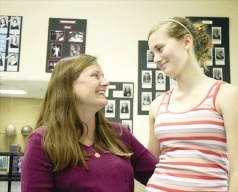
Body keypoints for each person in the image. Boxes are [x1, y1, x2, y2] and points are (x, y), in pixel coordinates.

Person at [21, 54, 157, 192]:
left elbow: (159, 175)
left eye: (102, 76)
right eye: (95, 76)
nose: (105, 82)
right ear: (68, 86)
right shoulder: (42, 141)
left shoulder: (119, 134)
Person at [146, 17, 238, 192]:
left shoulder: (227, 96)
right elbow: (149, 164)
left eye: (160, 48)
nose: (156, 59)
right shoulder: (157, 105)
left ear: (187, 41)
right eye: (152, 54)